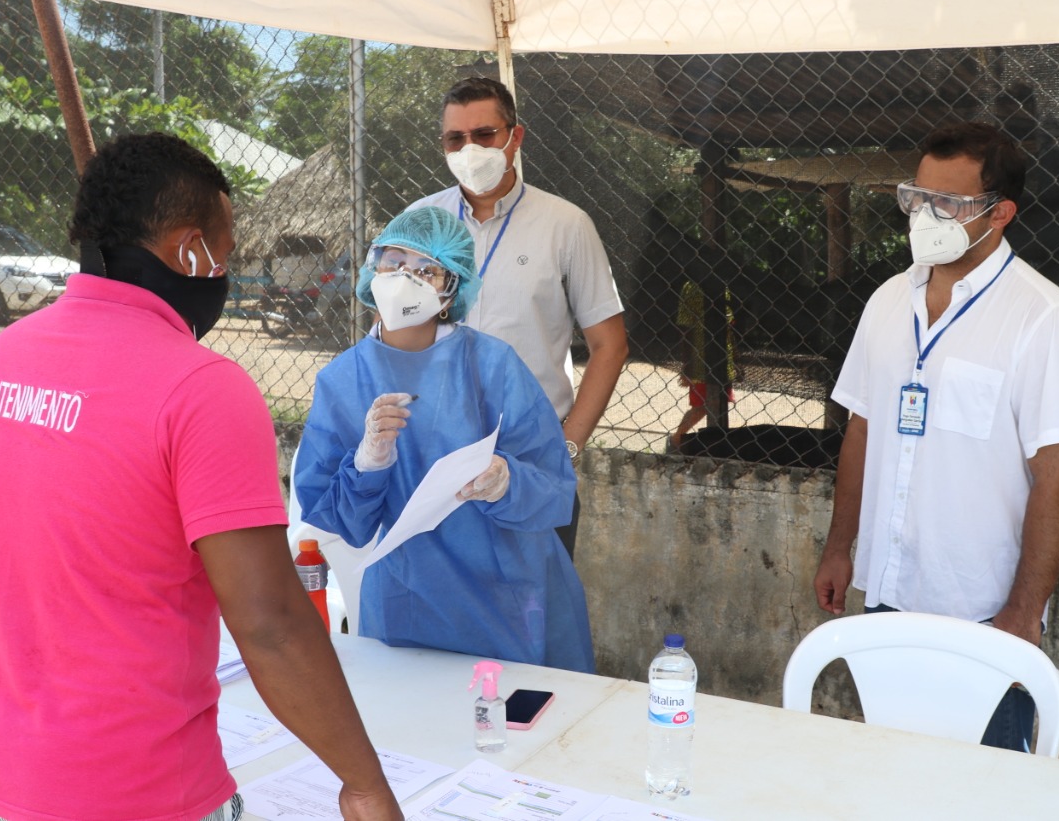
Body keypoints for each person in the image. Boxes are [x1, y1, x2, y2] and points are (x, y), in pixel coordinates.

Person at [0, 133, 402, 821]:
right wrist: (363, 783)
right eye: (227, 249)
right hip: (133, 792)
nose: (227, 268)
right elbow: (271, 621)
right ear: (191, 250)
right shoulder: (201, 389)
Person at [812, 122, 1059, 752]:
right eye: (917, 197)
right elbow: (862, 428)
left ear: (1000, 214)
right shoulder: (888, 300)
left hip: (983, 614)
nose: (927, 215)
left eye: (950, 204)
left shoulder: (1043, 319)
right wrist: (841, 547)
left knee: (984, 794)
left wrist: (1024, 612)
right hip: (888, 597)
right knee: (891, 771)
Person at [294, 206, 595, 673]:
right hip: (405, 596)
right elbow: (338, 520)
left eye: (426, 271)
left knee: (517, 728)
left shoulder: (491, 365)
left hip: (507, 594)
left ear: (452, 288)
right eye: (393, 262)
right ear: (372, 268)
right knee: (412, 728)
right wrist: (367, 465)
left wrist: (506, 480)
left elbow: (554, 486)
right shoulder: (342, 380)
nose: (404, 279)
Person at [407, 76, 629, 560]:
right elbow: (391, 340)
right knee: (440, 623)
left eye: (484, 135)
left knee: (536, 617)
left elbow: (610, 346)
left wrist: (566, 450)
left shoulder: (566, 225)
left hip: (532, 463)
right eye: (455, 139)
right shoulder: (418, 225)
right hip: (432, 458)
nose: (469, 149)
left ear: (515, 137)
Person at [670, 280, 735, 452]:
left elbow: (731, 323)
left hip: (722, 356)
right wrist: (687, 365)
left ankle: (711, 445)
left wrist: (734, 358)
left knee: (719, 403)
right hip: (701, 358)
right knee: (702, 406)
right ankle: (676, 440)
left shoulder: (724, 284)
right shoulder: (692, 286)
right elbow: (685, 327)